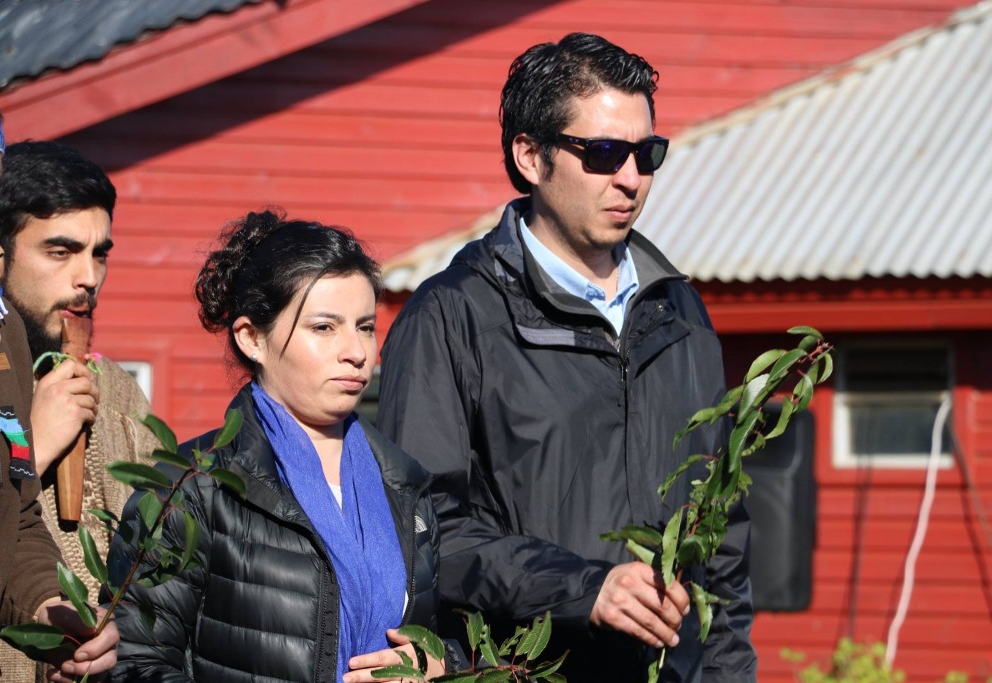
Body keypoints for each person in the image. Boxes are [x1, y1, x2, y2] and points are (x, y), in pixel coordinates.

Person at [376, 33, 757, 681]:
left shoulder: (680, 312)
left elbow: (722, 535)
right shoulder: (453, 316)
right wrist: (585, 589)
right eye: (605, 153)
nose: (631, 178)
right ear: (531, 155)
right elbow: (420, 530)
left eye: (647, 153)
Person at [106, 210, 455, 682]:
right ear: (252, 338)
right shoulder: (191, 490)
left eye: (366, 327)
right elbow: (134, 665)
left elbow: (444, 637)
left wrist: (441, 664)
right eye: (324, 328)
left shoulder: (406, 489)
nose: (356, 351)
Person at [0, 140, 158, 681]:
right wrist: (30, 447)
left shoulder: (122, 397)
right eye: (60, 252)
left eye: (100, 253)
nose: (88, 277)